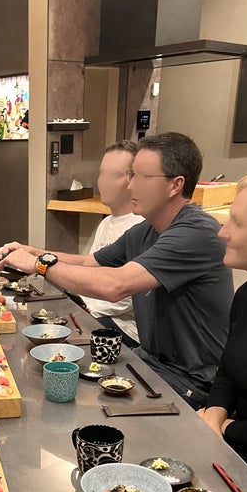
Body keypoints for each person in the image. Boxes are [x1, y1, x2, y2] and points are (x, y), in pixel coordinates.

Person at [0, 132, 233, 410]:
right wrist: (32, 251)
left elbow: (115, 285)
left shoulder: (195, 233)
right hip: (149, 363)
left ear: (175, 185)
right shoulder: (144, 231)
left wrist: (39, 265)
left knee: (72, 408)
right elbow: (88, 262)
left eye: (141, 177)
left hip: (190, 383)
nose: (130, 185)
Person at [196, 174, 247, 466]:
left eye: (237, 223)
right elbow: (227, 372)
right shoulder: (245, 295)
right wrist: (213, 415)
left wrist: (226, 428)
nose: (222, 233)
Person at [79, 140, 144, 349]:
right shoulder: (106, 223)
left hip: (126, 328)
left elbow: (129, 294)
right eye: (102, 174)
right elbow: (89, 268)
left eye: (114, 175)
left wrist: (87, 309)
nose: (104, 182)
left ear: (133, 180)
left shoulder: (142, 227)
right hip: (96, 312)